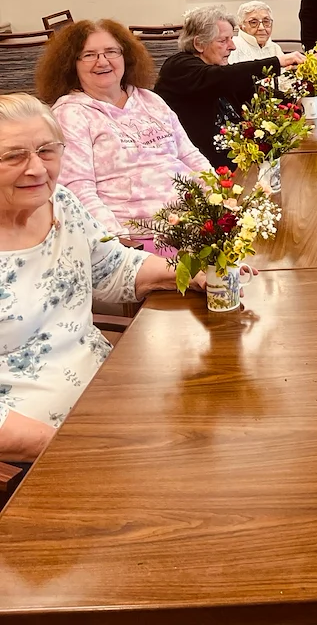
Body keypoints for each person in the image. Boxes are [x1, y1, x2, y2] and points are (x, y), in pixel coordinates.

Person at [0, 93, 206, 478]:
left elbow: (112, 267)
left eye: (48, 150)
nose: (37, 170)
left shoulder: (60, 202)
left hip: (108, 390)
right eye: (13, 156)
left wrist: (187, 271)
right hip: (41, 451)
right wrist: (74, 445)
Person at [34, 18, 211, 240]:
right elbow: (77, 190)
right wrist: (119, 242)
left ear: (125, 56)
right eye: (89, 55)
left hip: (198, 223)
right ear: (72, 64)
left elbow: (189, 155)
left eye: (111, 52)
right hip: (141, 238)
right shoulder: (71, 114)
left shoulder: (150, 100)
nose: (102, 61)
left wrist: (218, 197)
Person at [155, 7, 301, 165]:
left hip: (241, 157)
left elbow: (254, 93)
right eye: (223, 40)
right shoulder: (179, 66)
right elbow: (221, 78)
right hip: (203, 167)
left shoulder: (216, 69)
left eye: (231, 39)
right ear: (199, 44)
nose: (233, 46)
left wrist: (295, 103)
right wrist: (278, 62)